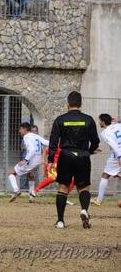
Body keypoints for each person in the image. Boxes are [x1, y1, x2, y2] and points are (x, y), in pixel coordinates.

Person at [48, 91, 100, 229]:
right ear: (81, 103)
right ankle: (84, 209)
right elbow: (95, 141)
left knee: (63, 187)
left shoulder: (60, 119)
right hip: (83, 156)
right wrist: (89, 151)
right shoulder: (88, 120)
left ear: (68, 103)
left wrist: (51, 159)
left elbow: (53, 141)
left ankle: (60, 221)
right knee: (83, 187)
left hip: (65, 156)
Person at [8, 122, 49, 203]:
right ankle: (31, 197)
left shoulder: (26, 137)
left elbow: (32, 150)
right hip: (38, 161)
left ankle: (16, 190)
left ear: (24, 129)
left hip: (31, 160)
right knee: (30, 175)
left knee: (10, 172)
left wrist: (25, 160)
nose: (19, 131)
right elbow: (46, 142)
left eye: (20, 129)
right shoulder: (36, 136)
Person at [91, 113, 121, 206]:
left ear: (103, 122)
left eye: (99, 120)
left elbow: (113, 144)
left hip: (117, 155)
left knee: (105, 175)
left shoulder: (104, 133)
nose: (98, 122)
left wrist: (120, 156)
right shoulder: (118, 125)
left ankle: (99, 199)